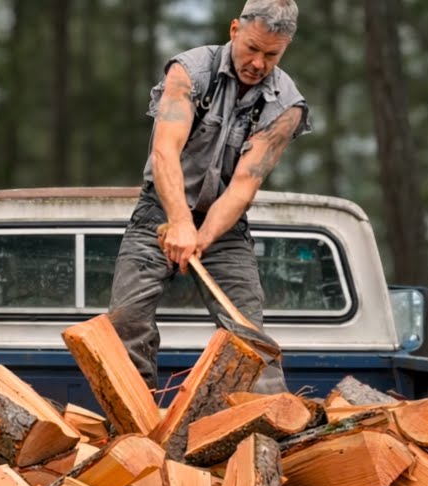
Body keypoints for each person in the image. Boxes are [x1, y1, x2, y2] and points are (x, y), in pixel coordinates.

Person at [107, 0, 309, 394]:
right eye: (251, 48)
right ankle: (134, 425)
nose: (257, 62)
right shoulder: (189, 72)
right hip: (159, 212)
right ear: (234, 30)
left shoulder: (286, 106)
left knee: (247, 330)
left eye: (271, 54)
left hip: (225, 226)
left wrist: (202, 236)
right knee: (126, 319)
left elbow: (243, 187)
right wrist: (180, 221)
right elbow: (164, 151)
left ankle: (269, 427)